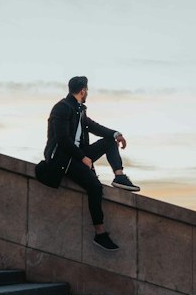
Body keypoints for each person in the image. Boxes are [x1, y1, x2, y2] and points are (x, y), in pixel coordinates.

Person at [44, 75, 141, 252]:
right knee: (95, 188)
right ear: (83, 91)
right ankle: (100, 233)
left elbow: (95, 127)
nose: (87, 93)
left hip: (78, 155)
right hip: (63, 159)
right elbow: (63, 140)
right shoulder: (62, 108)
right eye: (87, 90)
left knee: (109, 142)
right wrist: (83, 158)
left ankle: (119, 177)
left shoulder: (79, 110)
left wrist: (116, 134)